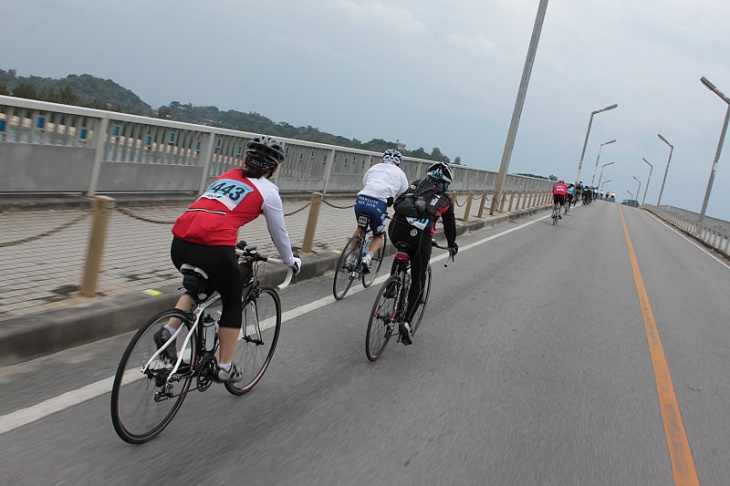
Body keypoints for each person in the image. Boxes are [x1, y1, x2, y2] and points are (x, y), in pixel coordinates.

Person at [158, 136, 302, 382]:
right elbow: (279, 232)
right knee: (233, 299)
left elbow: (217, 212)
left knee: (198, 285)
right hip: (213, 246)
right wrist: (290, 260)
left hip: (180, 242)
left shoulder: (226, 176)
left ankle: (168, 330)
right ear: (274, 168)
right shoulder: (268, 191)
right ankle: (224, 367)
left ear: (245, 159)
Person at [389, 162, 458, 345]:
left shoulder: (414, 185)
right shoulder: (444, 199)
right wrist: (452, 245)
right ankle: (406, 322)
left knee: (402, 250)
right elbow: (450, 227)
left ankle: (391, 285)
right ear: (444, 184)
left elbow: (397, 202)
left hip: (395, 228)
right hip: (419, 237)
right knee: (419, 278)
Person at [350, 149, 409, 271]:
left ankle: (350, 257)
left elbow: (365, 183)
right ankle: (368, 257)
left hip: (361, 200)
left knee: (361, 227)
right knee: (378, 235)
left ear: (383, 159)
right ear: (398, 163)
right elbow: (404, 195)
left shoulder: (374, 167)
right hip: (378, 204)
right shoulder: (400, 173)